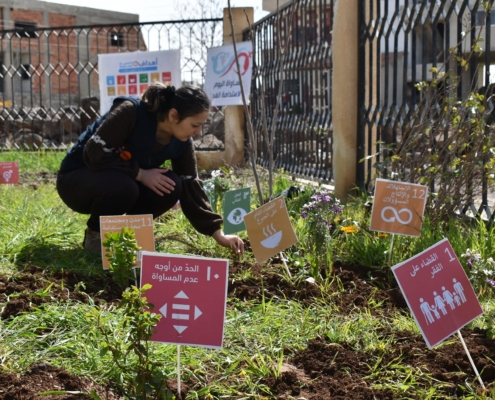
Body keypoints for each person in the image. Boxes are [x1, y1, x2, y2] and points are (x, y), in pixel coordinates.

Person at [56, 82, 244, 255]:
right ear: (173, 116)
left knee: (172, 185)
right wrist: (140, 173)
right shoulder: (131, 113)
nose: (198, 133)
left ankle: (130, 234)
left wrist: (218, 233)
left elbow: (190, 185)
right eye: (195, 125)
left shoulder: (182, 142)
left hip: (119, 181)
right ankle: (95, 233)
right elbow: (94, 153)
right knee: (125, 186)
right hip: (78, 181)